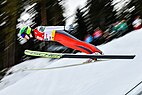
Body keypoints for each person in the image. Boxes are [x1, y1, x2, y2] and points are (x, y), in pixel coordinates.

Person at [18, 26, 103, 55]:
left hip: (60, 34)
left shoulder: (38, 29)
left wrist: (64, 28)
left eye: (23, 35)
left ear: (27, 31)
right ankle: (91, 55)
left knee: (77, 43)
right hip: (58, 39)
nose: (24, 37)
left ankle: (96, 51)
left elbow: (50, 28)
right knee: (75, 46)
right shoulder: (36, 36)